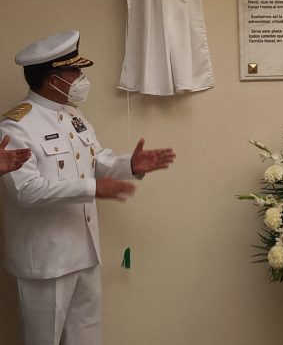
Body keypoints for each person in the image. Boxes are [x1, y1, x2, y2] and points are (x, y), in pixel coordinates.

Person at [0, 29, 177, 345]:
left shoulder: (73, 115)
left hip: (84, 251)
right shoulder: (16, 126)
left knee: (87, 338)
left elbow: (98, 160)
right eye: (75, 72)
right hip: (46, 259)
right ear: (53, 79)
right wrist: (91, 188)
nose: (81, 79)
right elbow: (26, 191)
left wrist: (131, 165)